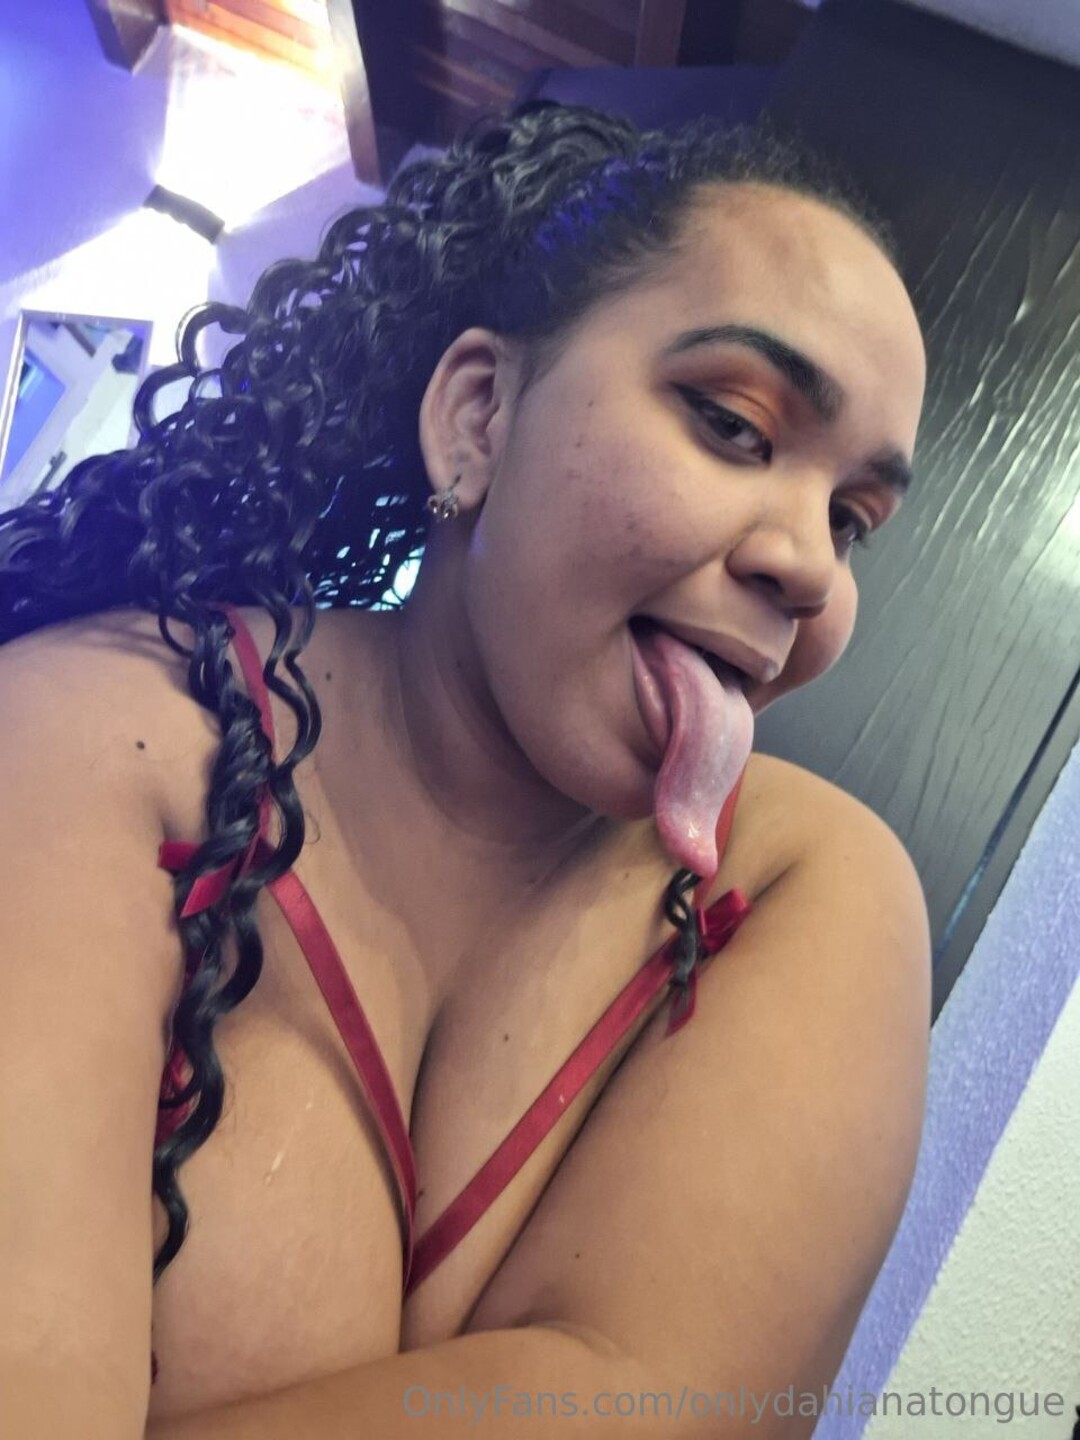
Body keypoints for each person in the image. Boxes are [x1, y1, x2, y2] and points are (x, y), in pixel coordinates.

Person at [0, 101, 932, 1438]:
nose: (808, 570)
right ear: (480, 417)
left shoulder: (806, 886)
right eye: (734, 424)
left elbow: (658, 1403)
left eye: (853, 520)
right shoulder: (89, 737)